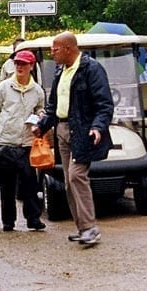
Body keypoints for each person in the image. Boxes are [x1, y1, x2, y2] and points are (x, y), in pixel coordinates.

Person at [33, 32, 113, 246]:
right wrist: (42, 126)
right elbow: (53, 105)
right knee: (69, 182)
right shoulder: (60, 71)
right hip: (62, 129)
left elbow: (104, 104)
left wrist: (98, 127)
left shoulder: (91, 69)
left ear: (68, 49)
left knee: (77, 176)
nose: (52, 53)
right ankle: (82, 227)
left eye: (55, 49)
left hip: (82, 131)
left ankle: (90, 228)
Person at [0, 49, 46, 232]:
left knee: (29, 180)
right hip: (5, 140)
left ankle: (33, 218)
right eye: (17, 63)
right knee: (7, 183)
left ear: (31, 66)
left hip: (26, 141)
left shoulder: (37, 90)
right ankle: (8, 221)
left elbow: (40, 108)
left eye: (23, 64)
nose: (19, 67)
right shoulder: (4, 87)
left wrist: (40, 115)